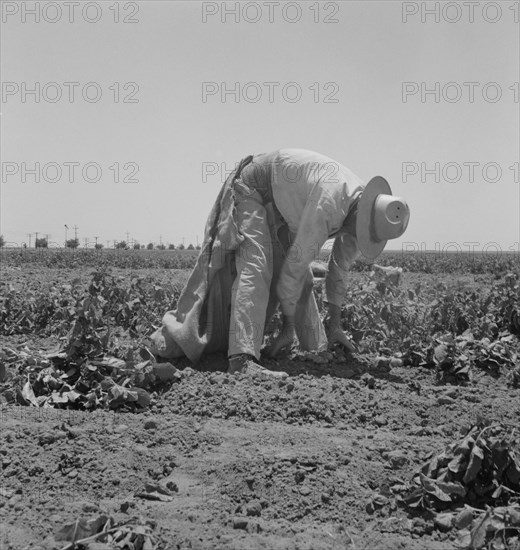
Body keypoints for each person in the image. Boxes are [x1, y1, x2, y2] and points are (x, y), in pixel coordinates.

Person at [150, 149, 410, 378]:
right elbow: (294, 269)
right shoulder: (330, 201)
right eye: (361, 230)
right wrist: (287, 327)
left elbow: (338, 271)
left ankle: (317, 350)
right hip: (253, 186)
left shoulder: (361, 220)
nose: (357, 236)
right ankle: (241, 360)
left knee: (305, 280)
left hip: (283, 205)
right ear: (361, 214)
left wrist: (336, 326)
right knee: (256, 264)